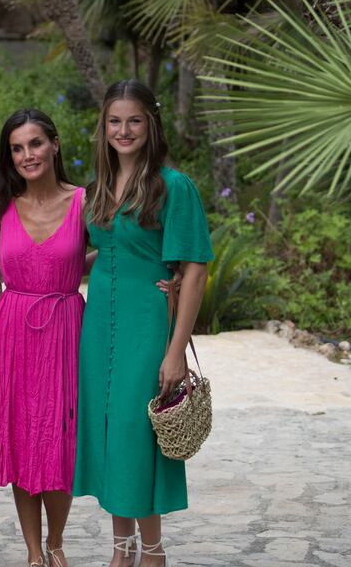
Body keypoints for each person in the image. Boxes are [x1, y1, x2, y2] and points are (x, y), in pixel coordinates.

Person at [75, 79, 213, 567]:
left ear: (151, 123)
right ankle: (120, 551)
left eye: (134, 120)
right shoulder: (97, 186)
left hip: (145, 324)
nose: (124, 130)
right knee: (111, 431)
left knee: (137, 434)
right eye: (115, 121)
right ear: (103, 126)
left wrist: (175, 350)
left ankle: (152, 553)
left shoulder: (173, 186)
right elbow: (108, 249)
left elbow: (194, 269)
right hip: (99, 328)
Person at [0, 109, 86, 567]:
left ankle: (56, 543)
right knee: (23, 437)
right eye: (17, 149)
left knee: (59, 438)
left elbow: (118, 248)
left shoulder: (85, 201)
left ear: (55, 145)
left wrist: (160, 281)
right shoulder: (0, 206)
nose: (27, 156)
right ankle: (33, 553)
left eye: (35, 144)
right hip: (14, 330)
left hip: (65, 328)